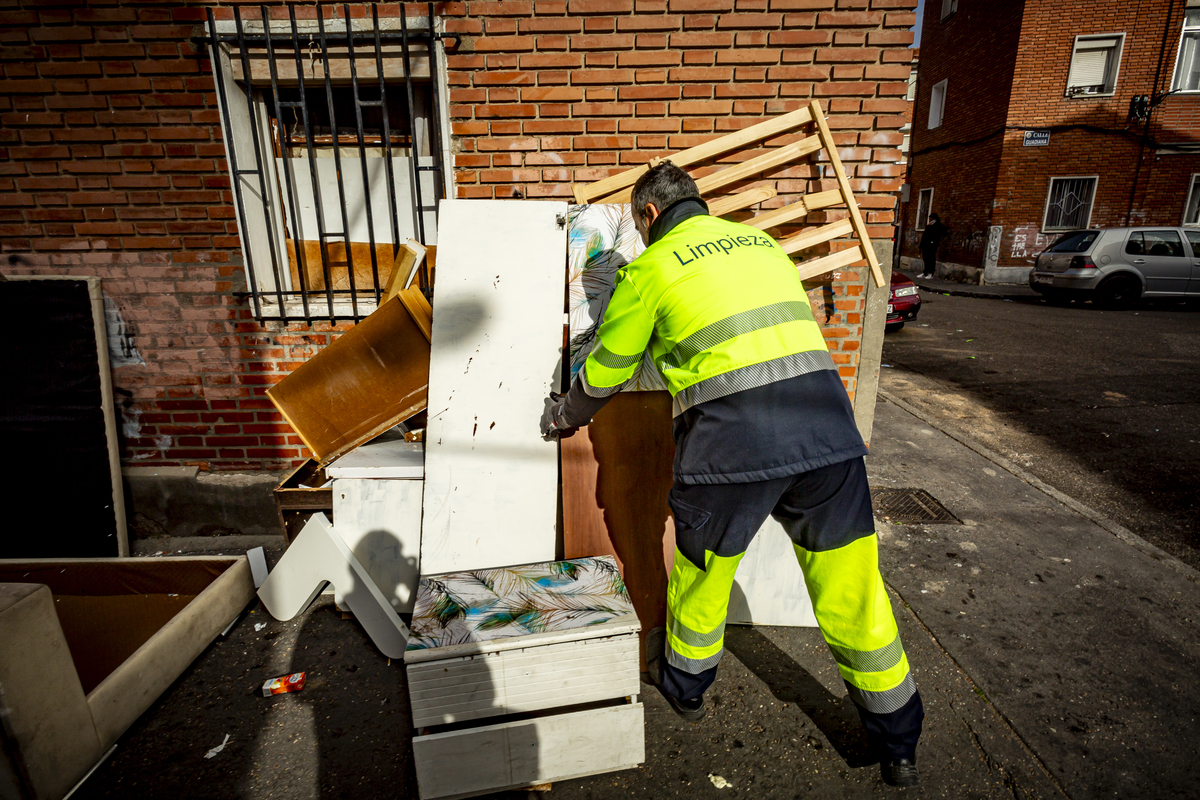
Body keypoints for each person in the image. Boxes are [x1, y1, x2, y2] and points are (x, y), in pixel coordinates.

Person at [540, 162, 924, 787]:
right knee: (853, 588)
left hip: (731, 449)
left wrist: (564, 413)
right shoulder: (764, 246)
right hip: (828, 436)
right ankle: (899, 741)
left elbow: (610, 364)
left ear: (649, 216)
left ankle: (686, 688)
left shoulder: (652, 268)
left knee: (705, 575)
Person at [918, 212, 948, 279]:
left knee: (931, 258)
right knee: (925, 258)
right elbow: (924, 236)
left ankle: (930, 273)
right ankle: (925, 272)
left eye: (931, 218)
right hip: (926, 245)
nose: (930, 220)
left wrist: (933, 243)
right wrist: (921, 246)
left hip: (932, 245)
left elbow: (939, 234)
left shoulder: (938, 226)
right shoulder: (929, 226)